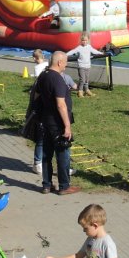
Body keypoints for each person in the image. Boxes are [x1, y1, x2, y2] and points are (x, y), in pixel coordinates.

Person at [33, 51, 78, 195]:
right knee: (62, 153)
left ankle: (46, 185)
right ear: (59, 62)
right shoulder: (57, 79)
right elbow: (61, 105)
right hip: (57, 123)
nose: (66, 65)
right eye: (65, 62)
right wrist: (67, 126)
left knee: (46, 154)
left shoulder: (43, 75)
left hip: (45, 121)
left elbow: (36, 96)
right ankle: (64, 186)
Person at [44, 204, 119, 258]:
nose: (83, 231)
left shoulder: (107, 243)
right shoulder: (90, 240)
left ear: (95, 225)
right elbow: (77, 257)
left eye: (85, 228)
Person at [67, 33, 97, 98]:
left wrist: (101, 53)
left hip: (88, 66)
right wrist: (65, 54)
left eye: (86, 40)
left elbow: (94, 51)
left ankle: (86, 90)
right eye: (83, 40)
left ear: (88, 40)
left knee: (87, 79)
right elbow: (73, 51)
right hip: (81, 66)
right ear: (81, 40)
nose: (84, 42)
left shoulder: (89, 46)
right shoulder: (79, 48)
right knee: (82, 79)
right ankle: (80, 91)